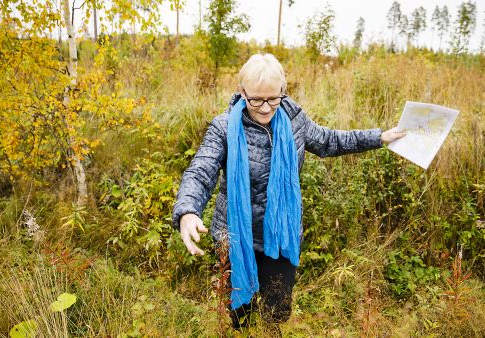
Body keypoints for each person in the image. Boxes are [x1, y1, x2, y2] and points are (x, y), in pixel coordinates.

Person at [172, 53, 405, 331]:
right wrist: (187, 211)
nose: (266, 108)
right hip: (235, 238)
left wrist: (379, 137)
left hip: (281, 237)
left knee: (276, 314)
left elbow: (331, 141)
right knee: (239, 318)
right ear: (241, 92)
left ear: (283, 92)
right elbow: (201, 170)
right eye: (256, 99)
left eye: (274, 98)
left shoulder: (295, 121)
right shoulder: (223, 128)